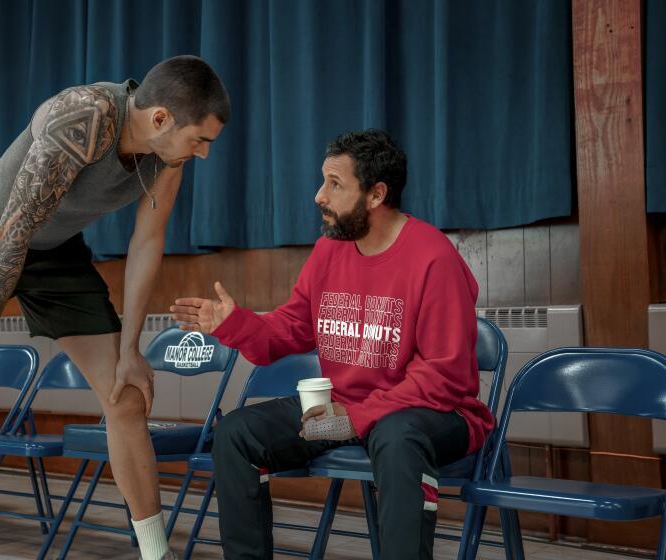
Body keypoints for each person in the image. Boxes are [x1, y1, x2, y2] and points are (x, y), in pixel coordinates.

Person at [0, 55, 229, 560]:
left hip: (55, 249)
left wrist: (131, 348)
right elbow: (9, 236)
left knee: (125, 393)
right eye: (199, 139)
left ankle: (157, 555)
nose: (202, 153)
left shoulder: (166, 155)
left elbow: (146, 242)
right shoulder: (83, 117)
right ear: (160, 119)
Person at [170, 129, 495, 559]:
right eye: (323, 181)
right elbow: (290, 328)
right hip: (346, 411)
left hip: (434, 414)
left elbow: (443, 376)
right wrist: (235, 324)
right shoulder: (329, 251)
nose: (319, 196)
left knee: (399, 438)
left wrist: (355, 418)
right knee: (236, 432)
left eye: (335, 184)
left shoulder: (433, 258)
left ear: (376, 194)